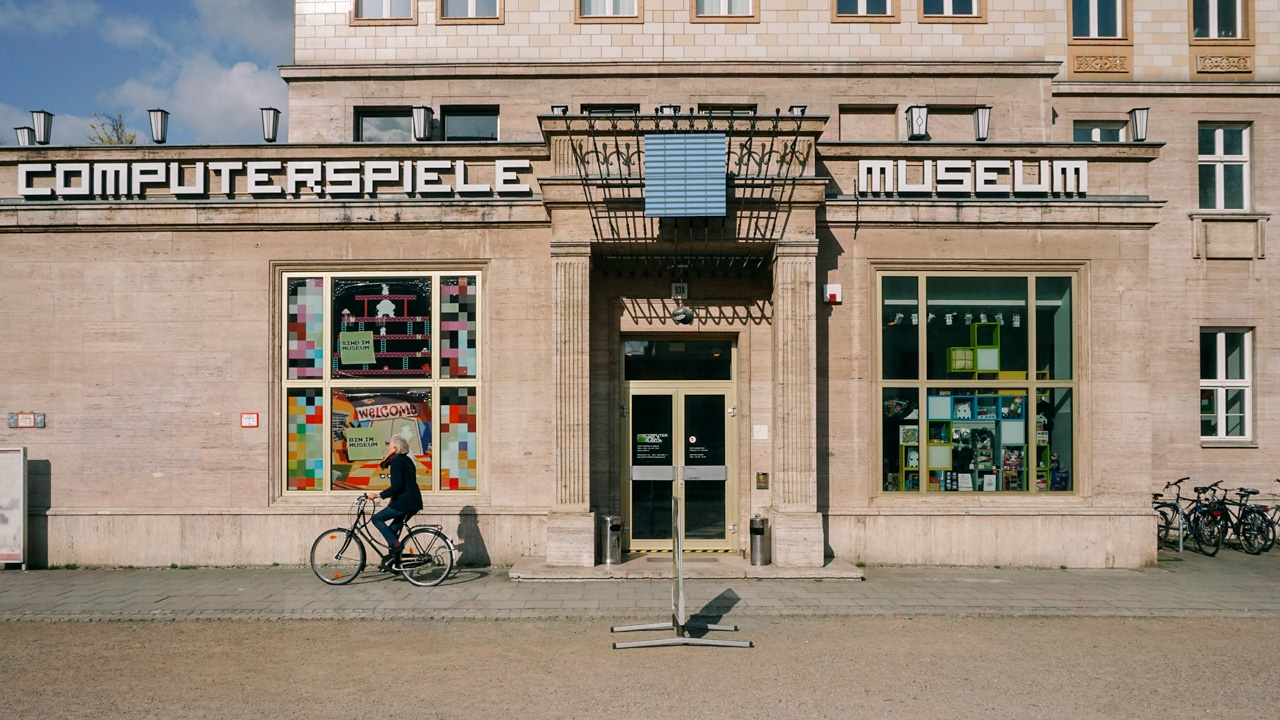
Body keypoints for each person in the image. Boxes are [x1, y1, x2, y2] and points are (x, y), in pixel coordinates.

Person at [366, 435, 423, 570]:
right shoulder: (407, 460)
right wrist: (392, 496)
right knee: (392, 531)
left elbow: (397, 486)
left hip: (404, 502)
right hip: (412, 501)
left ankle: (396, 548)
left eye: (390, 445)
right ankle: (394, 563)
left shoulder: (397, 462)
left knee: (377, 519)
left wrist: (377, 495)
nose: (388, 447)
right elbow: (406, 483)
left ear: (395, 447)